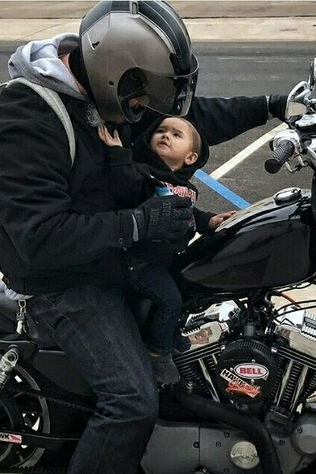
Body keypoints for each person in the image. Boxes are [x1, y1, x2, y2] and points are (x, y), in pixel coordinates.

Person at [0, 2, 287, 472]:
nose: (146, 112)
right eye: (142, 98)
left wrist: (274, 106)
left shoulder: (106, 93)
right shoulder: (24, 120)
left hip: (113, 259)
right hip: (61, 283)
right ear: (118, 72)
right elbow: (39, 238)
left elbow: (193, 119)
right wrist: (139, 224)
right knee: (131, 402)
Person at [98, 116, 235, 384]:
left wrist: (210, 221)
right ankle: (157, 354)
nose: (166, 135)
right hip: (139, 263)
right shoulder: (144, 174)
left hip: (164, 261)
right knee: (170, 300)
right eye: (161, 130)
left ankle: (172, 337)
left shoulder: (185, 188)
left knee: (189, 291)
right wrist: (118, 155)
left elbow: (188, 214)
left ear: (191, 157)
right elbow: (126, 188)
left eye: (176, 134)